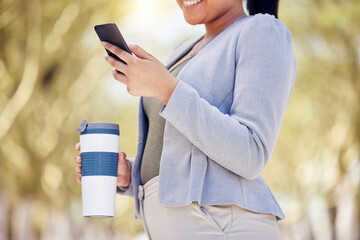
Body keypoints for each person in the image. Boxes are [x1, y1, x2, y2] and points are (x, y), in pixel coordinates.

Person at [74, 0, 296, 239]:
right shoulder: (183, 51)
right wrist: (131, 173)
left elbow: (252, 152)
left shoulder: (262, 31)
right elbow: (185, 152)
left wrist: (166, 88)